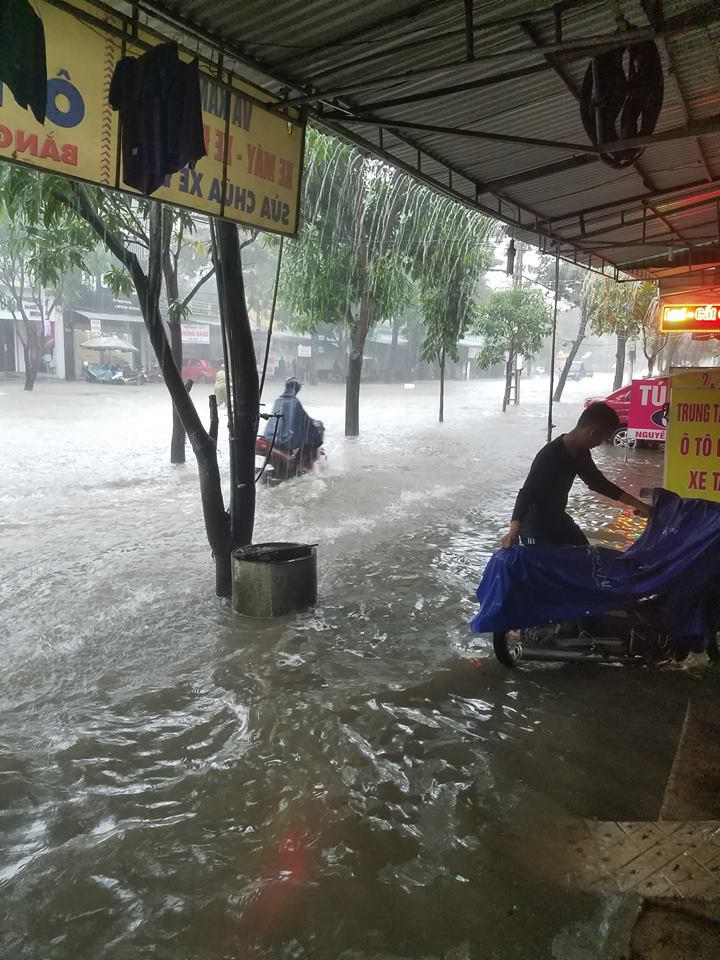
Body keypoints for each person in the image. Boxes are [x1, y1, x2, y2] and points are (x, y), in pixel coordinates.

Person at [501, 402, 650, 549]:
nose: (600, 444)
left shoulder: (581, 453)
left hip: (558, 518)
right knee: (547, 563)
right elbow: (526, 494)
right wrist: (513, 533)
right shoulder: (550, 455)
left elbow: (599, 484)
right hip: (535, 525)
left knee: (586, 553)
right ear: (592, 432)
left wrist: (641, 506)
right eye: (602, 439)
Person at [266, 378, 323, 459]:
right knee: (312, 436)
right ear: (296, 389)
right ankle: (301, 460)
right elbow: (305, 420)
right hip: (288, 439)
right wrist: (318, 426)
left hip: (272, 436)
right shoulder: (295, 402)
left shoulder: (278, 401)